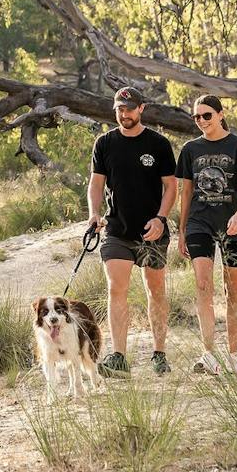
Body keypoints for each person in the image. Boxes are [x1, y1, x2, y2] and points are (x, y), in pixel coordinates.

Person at [85, 86, 177, 377]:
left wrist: (161, 218)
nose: (123, 114)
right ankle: (119, 357)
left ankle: (159, 353)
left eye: (129, 108)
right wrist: (93, 213)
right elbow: (96, 184)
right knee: (116, 288)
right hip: (117, 230)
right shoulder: (104, 143)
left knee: (155, 290)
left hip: (152, 231)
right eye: (119, 109)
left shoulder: (159, 143)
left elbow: (171, 186)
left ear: (141, 109)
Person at [175, 94, 237, 376]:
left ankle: (234, 354)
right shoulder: (190, 149)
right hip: (200, 224)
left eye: (207, 116)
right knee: (203, 286)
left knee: (232, 289)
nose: (201, 121)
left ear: (221, 115)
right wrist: (182, 229)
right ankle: (208, 353)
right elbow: (186, 191)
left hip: (234, 225)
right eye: (196, 117)